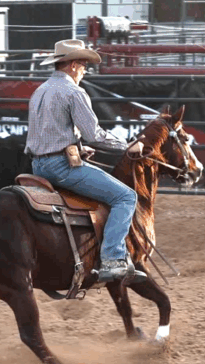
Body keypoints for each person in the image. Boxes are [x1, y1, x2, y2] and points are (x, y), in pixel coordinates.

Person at [25, 39, 146, 283]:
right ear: (70, 65)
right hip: (60, 168)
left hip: (37, 166)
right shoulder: (73, 92)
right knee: (126, 197)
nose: (85, 70)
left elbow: (50, 132)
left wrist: (78, 149)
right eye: (82, 64)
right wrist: (127, 146)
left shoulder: (40, 90)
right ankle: (113, 258)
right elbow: (94, 134)